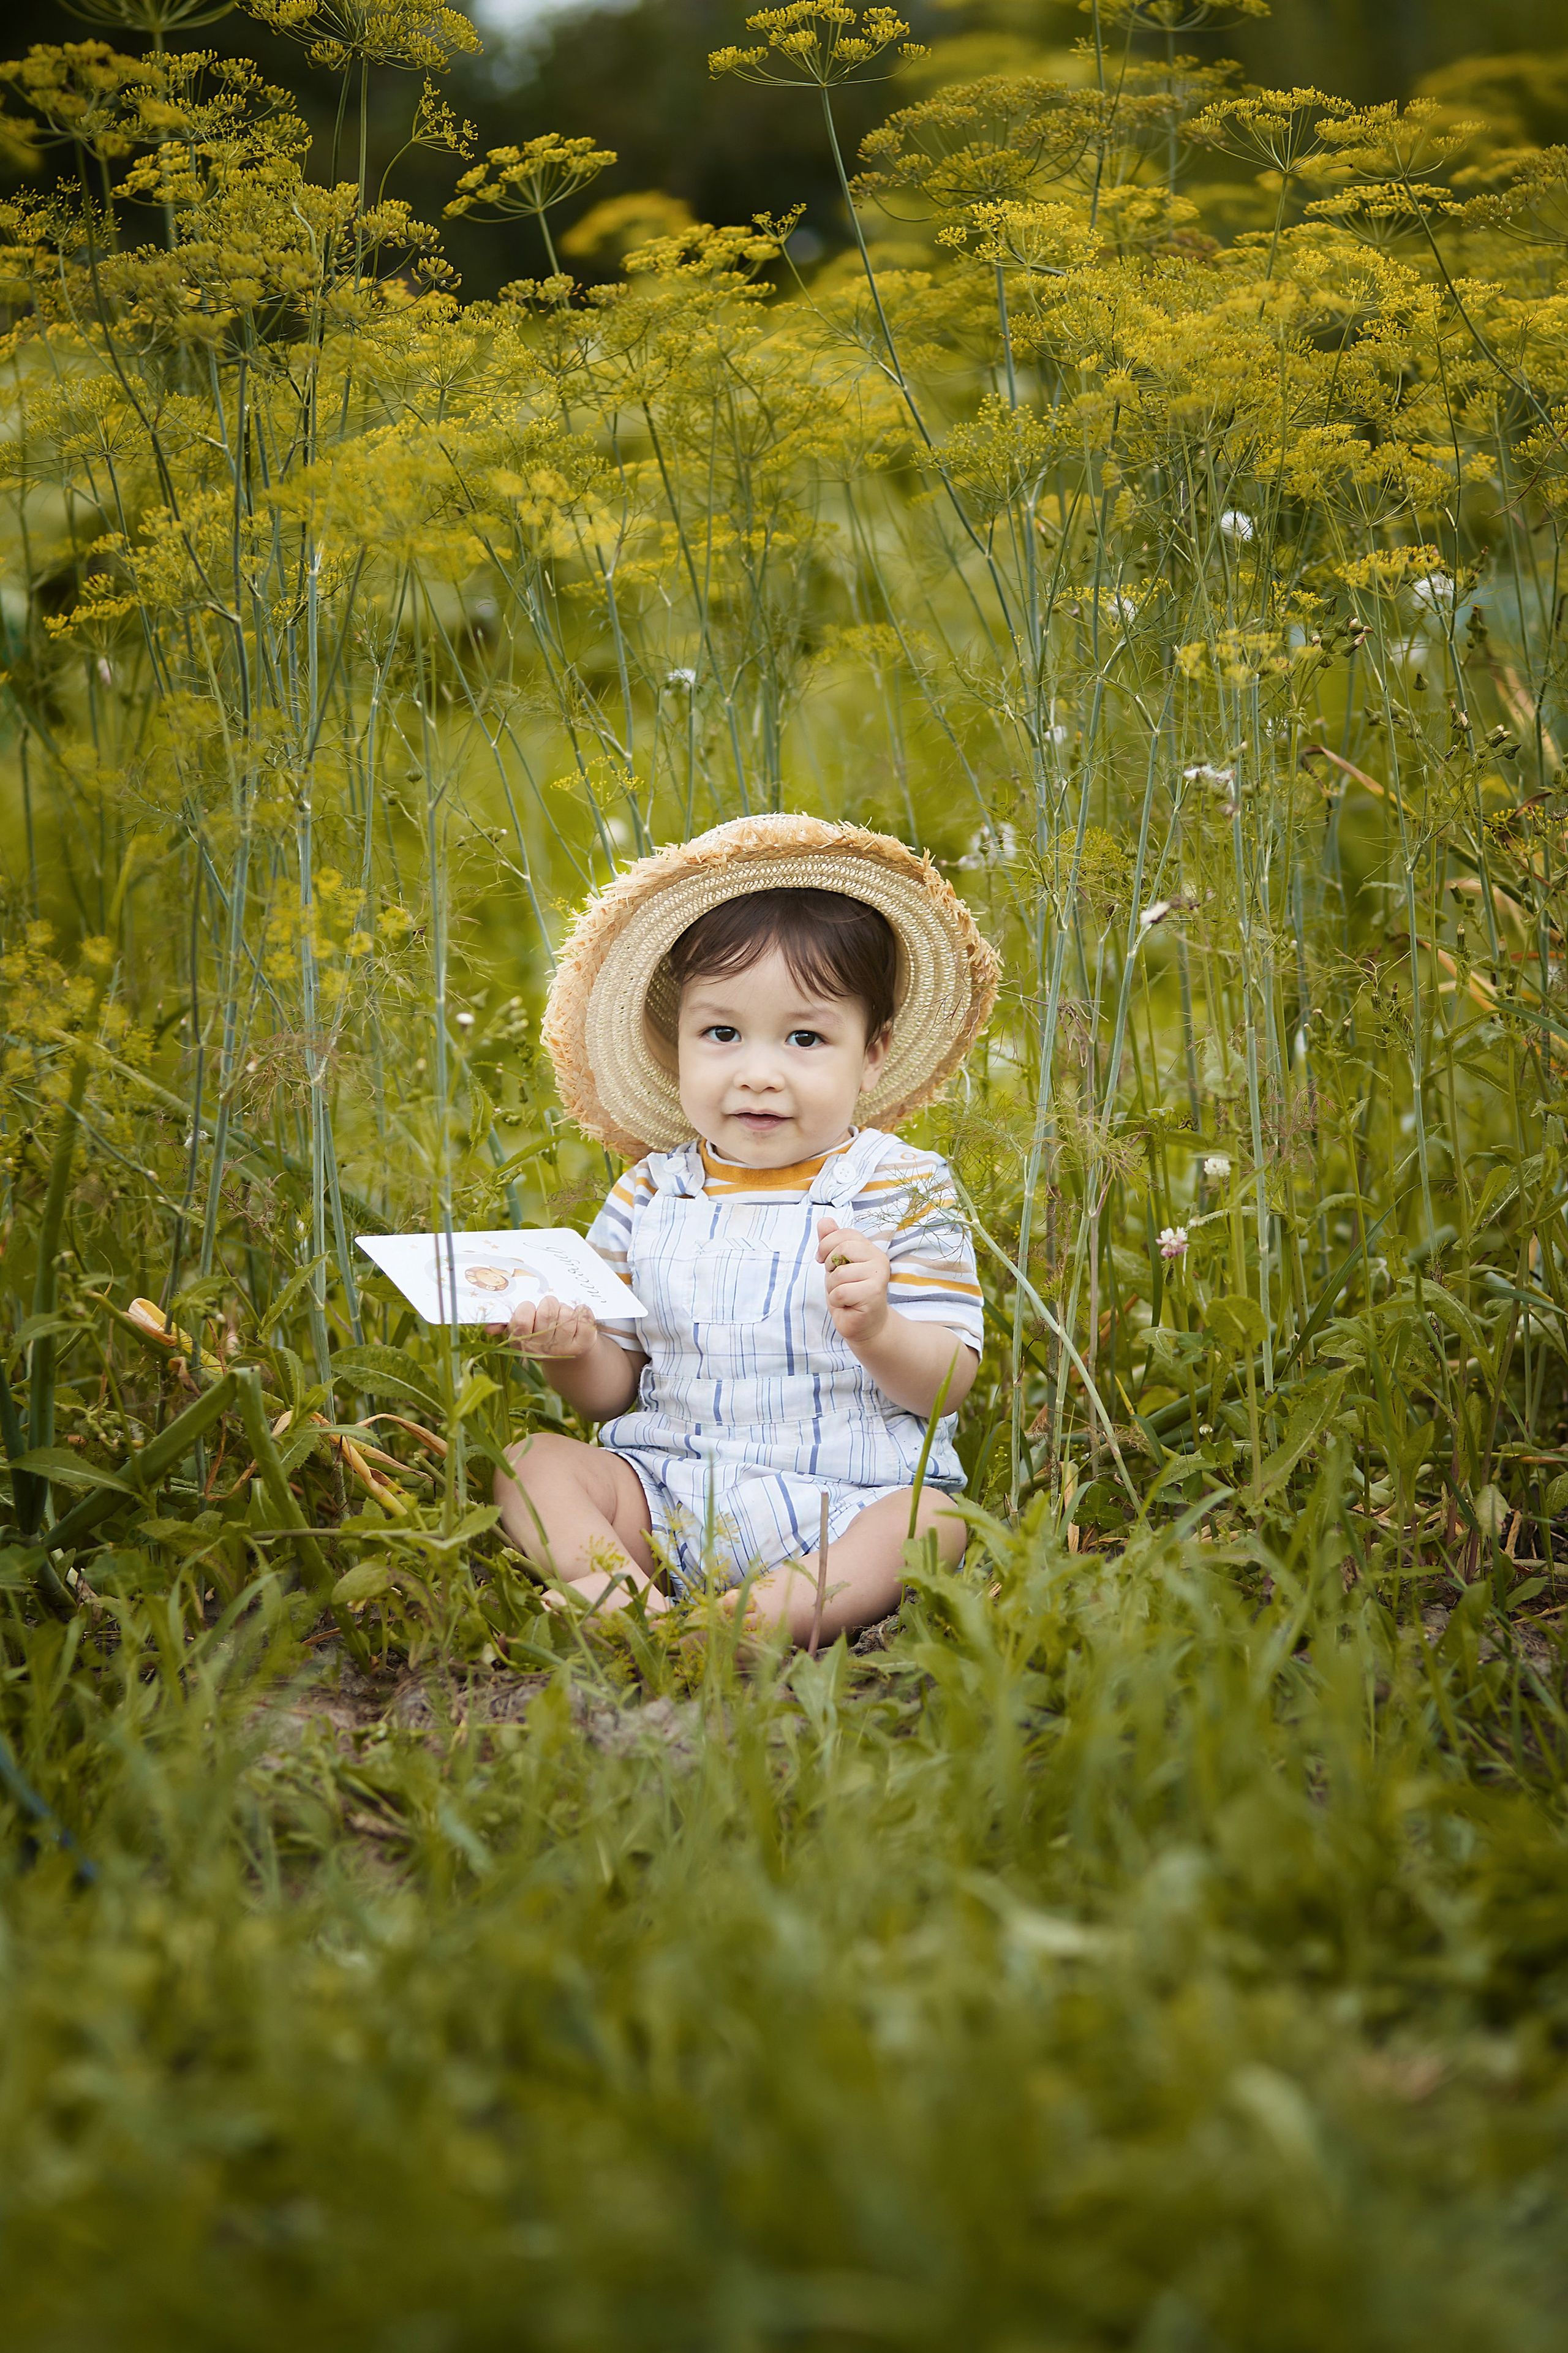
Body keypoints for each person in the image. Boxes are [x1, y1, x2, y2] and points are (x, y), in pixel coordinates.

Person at [492, 813, 999, 1645]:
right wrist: (571, 1347)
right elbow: (613, 1391)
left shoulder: (901, 1187)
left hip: (846, 1496)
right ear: (679, 1041)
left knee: (930, 1520)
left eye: (805, 1037)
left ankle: (754, 1620)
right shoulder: (650, 1193)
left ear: (871, 1054)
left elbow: (945, 1383)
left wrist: (878, 1328)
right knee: (531, 1462)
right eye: (722, 1033)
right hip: (668, 1489)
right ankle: (621, 1593)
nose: (758, 1072)